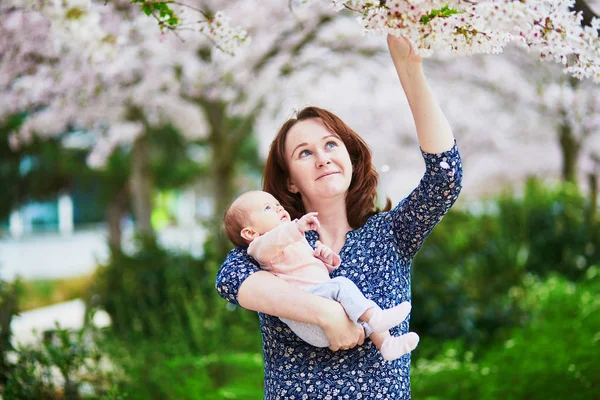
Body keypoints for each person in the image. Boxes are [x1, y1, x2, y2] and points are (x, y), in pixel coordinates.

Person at [216, 34, 463, 399]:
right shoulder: (276, 244)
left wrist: (410, 70)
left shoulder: (391, 234)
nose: (323, 157)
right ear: (290, 182)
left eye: (331, 144)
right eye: (304, 152)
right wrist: (324, 314)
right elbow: (231, 280)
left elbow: (446, 177)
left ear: (349, 156)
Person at [223, 190, 420, 361]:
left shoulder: (294, 242)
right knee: (342, 285)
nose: (279, 209)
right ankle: (376, 319)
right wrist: (296, 227)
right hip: (308, 320)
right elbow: (275, 241)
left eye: (278, 205)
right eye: (268, 208)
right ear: (250, 233)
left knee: (360, 300)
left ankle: (387, 344)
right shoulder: (260, 247)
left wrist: (327, 260)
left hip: (323, 301)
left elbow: (315, 271)